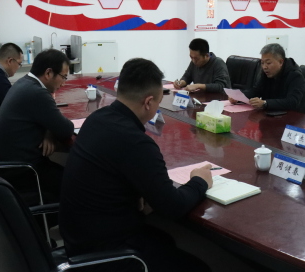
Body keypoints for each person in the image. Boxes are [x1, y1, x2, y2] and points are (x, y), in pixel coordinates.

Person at [60, 58, 213, 272]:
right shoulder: (136, 142)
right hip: (107, 252)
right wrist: (199, 181)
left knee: (164, 240)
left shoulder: (97, 118)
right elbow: (173, 207)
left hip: (78, 238)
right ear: (148, 102)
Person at [0, 49, 73, 203]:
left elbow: (48, 119)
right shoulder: (37, 93)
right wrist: (52, 127)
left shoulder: (24, 82)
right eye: (63, 77)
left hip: (10, 166)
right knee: (77, 182)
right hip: (24, 172)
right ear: (48, 73)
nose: (64, 83)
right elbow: (66, 129)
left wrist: (48, 131)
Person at [231, 43, 305, 114]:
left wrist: (265, 103)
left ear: (281, 62)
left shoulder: (295, 75)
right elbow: (256, 91)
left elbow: (292, 102)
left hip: (297, 119)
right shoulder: (266, 73)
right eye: (262, 63)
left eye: (268, 63)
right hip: (273, 114)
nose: (264, 67)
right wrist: (238, 97)